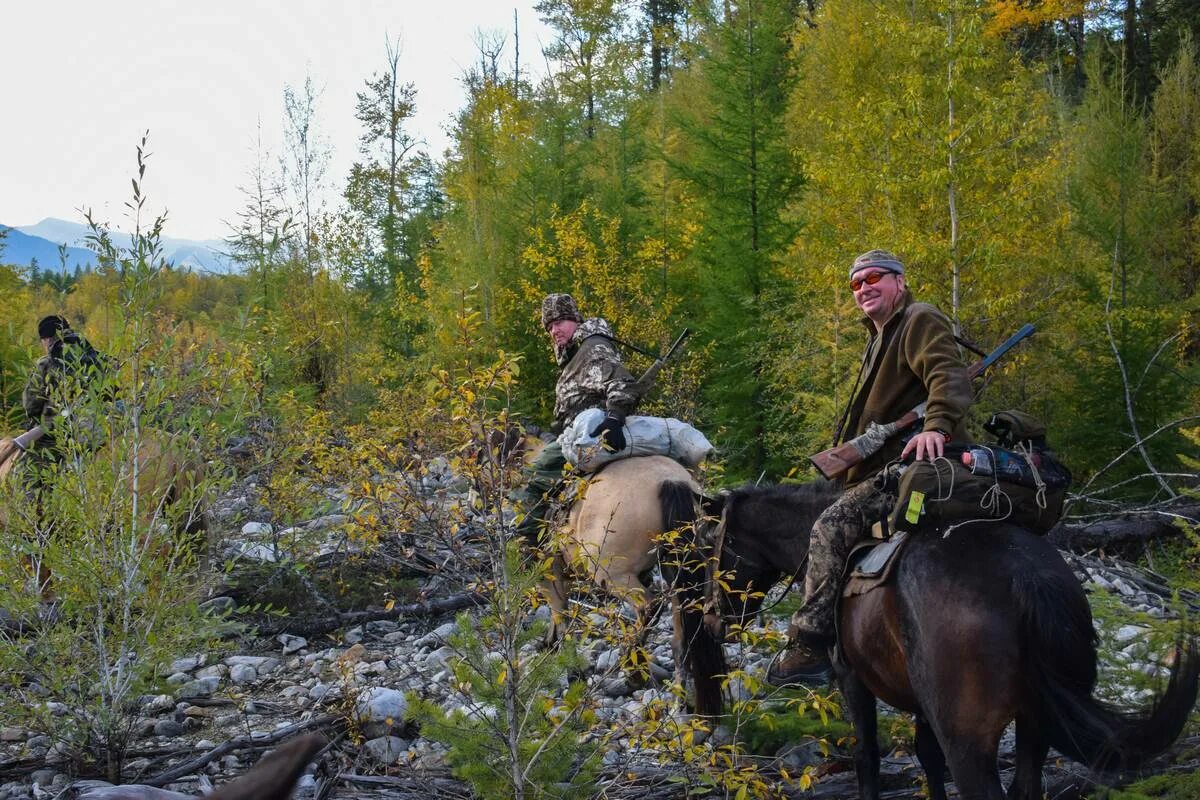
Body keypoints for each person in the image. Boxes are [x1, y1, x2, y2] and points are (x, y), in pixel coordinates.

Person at [768, 250, 973, 685]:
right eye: (855, 283)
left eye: (874, 277)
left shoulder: (919, 318)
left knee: (827, 528)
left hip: (909, 463)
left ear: (900, 281)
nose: (863, 288)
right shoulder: (880, 335)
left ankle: (809, 644)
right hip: (882, 462)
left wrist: (935, 427)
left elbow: (947, 375)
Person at [512, 293, 639, 547]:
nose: (554, 330)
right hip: (577, 430)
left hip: (588, 431)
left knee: (534, 475)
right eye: (549, 326)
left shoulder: (591, 347)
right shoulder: (576, 353)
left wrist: (613, 419)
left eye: (559, 322)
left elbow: (621, 382)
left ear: (575, 320)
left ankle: (528, 549)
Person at [21, 315, 110, 465]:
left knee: (28, 473)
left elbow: (30, 406)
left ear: (47, 339)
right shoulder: (98, 357)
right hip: (99, 430)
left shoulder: (46, 363)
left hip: (58, 434)